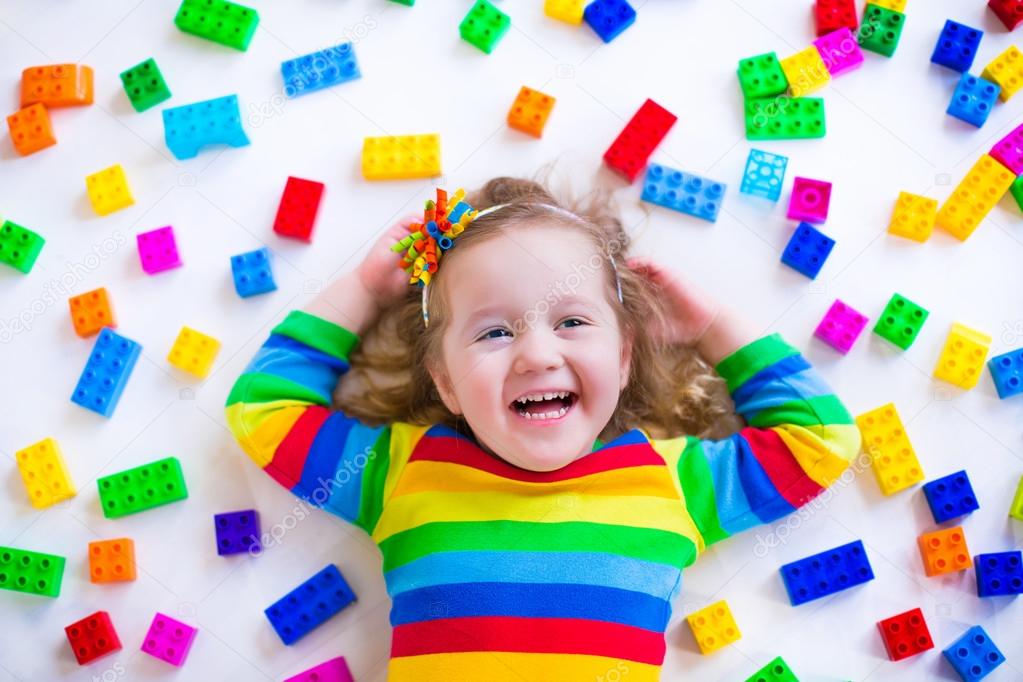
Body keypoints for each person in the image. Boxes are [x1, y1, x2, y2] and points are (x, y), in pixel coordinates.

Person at [225, 177, 861, 681]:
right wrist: (362, 289)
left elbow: (822, 441)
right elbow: (262, 409)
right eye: (494, 332)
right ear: (445, 380)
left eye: (573, 323)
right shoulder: (402, 472)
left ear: (623, 356)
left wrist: (712, 327)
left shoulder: (676, 484)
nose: (536, 355)